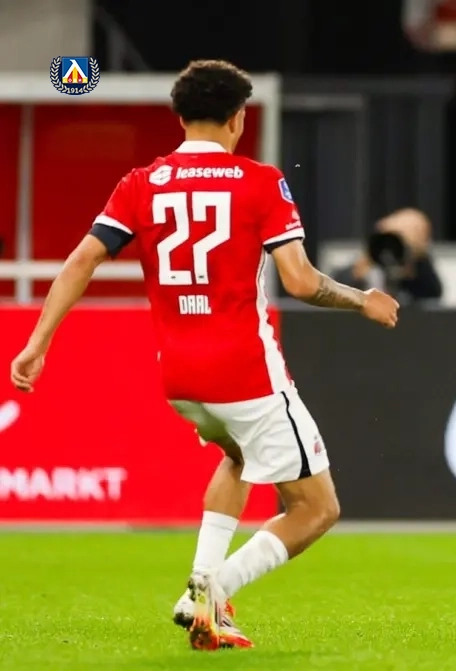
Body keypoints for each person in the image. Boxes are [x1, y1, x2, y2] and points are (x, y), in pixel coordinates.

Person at [7, 60, 399, 651]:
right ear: (239, 118)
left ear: (180, 117)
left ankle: (201, 581)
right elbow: (298, 281)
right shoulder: (259, 182)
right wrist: (361, 298)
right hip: (246, 372)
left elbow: (83, 259)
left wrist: (38, 342)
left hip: (180, 377)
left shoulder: (141, 182)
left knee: (237, 456)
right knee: (317, 509)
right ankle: (210, 593)